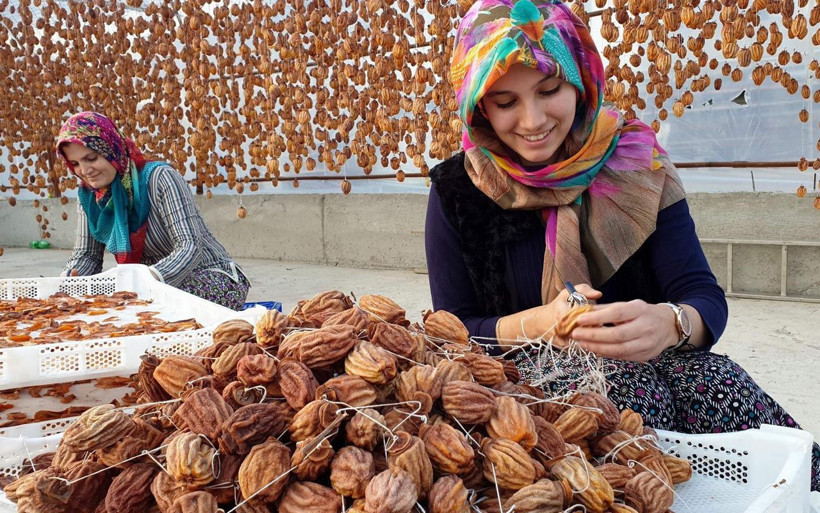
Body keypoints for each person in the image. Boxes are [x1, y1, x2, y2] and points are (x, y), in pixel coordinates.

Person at [425, 0, 819, 490]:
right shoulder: (458, 191)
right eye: (506, 102)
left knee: (724, 392)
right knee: (624, 408)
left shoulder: (638, 160)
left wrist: (671, 323)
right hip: (528, 394)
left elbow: (702, 296)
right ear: (478, 104)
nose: (532, 120)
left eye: (549, 90)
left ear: (581, 81)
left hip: (664, 362)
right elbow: (451, 330)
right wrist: (538, 325)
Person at [56, 111, 250, 310]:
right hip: (145, 287)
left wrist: (151, 278)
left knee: (143, 305)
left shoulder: (160, 178)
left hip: (210, 276)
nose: (85, 170)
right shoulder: (89, 196)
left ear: (111, 149)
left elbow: (189, 245)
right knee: (97, 307)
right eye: (75, 164)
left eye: (92, 158)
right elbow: (87, 255)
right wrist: (73, 276)